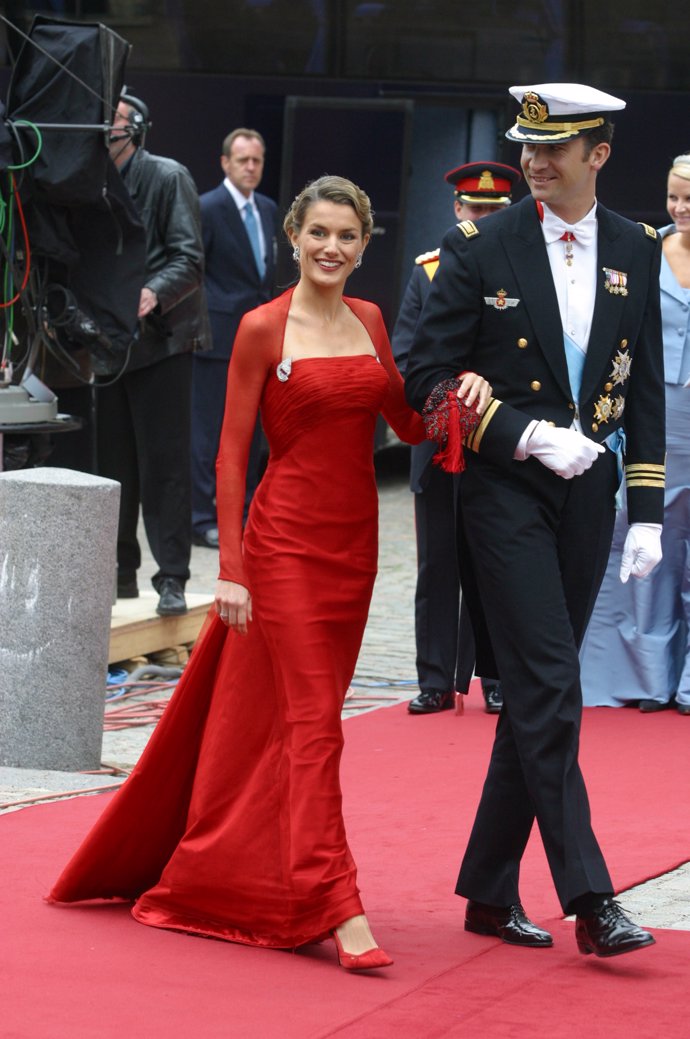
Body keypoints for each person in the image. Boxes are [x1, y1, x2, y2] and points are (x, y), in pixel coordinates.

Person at [48, 174, 492, 970]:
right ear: (294, 237)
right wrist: (234, 570)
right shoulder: (261, 327)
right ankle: (337, 900)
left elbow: (399, 420)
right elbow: (228, 455)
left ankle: (246, 873)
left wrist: (453, 401)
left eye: (347, 236)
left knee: (289, 728)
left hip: (355, 553)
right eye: (318, 232)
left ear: (364, 245)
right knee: (318, 726)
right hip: (282, 544)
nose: (331, 247)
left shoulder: (371, 320)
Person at [405, 83, 666, 957]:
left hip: (590, 490)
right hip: (505, 489)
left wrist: (648, 507)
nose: (534, 161)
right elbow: (424, 378)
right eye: (527, 145)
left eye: (555, 148)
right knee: (551, 683)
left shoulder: (636, 246)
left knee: (537, 702)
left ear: (600, 154)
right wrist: (518, 434)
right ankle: (592, 899)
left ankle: (486, 888)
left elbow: (645, 385)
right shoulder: (477, 244)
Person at [393, 160, 521, 715]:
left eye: (494, 211)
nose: (483, 219)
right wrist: (451, 405)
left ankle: (492, 675)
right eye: (475, 210)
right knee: (438, 564)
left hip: (500, 442)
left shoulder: (525, 271)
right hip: (439, 439)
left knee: (493, 563)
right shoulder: (427, 272)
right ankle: (435, 678)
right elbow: (406, 356)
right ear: (456, 211)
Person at [580, 153, 690, 716]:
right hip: (655, 412)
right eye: (673, 197)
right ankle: (646, 674)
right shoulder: (647, 248)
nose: (680, 209)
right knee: (645, 531)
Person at [98, 92, 209, 616]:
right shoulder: (88, 179)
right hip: (107, 341)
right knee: (111, 463)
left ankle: (172, 578)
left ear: (135, 127)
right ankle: (118, 574)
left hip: (163, 339)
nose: (104, 125)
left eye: (114, 118)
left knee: (164, 464)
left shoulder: (168, 176)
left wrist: (152, 292)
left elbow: (189, 257)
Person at [192, 128, 279, 549]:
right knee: (208, 431)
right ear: (225, 162)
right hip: (219, 338)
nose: (250, 167)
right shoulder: (208, 207)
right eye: (242, 160)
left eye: (257, 161)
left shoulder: (267, 208)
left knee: (253, 432)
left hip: (260, 339)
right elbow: (195, 270)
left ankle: (244, 512)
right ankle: (201, 516)